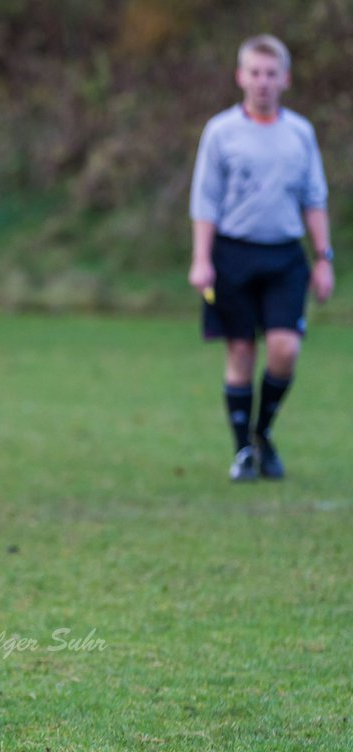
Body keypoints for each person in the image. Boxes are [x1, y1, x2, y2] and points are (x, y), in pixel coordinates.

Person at [189, 33, 335, 482]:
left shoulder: (300, 134)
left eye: (271, 74)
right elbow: (206, 200)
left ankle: (263, 432)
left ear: (285, 80)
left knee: (284, 348)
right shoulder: (221, 132)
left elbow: (314, 198)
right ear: (241, 77)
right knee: (240, 351)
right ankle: (243, 454)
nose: (263, 82)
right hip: (232, 255)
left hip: (284, 257)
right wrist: (202, 258)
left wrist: (323, 257)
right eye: (255, 73)